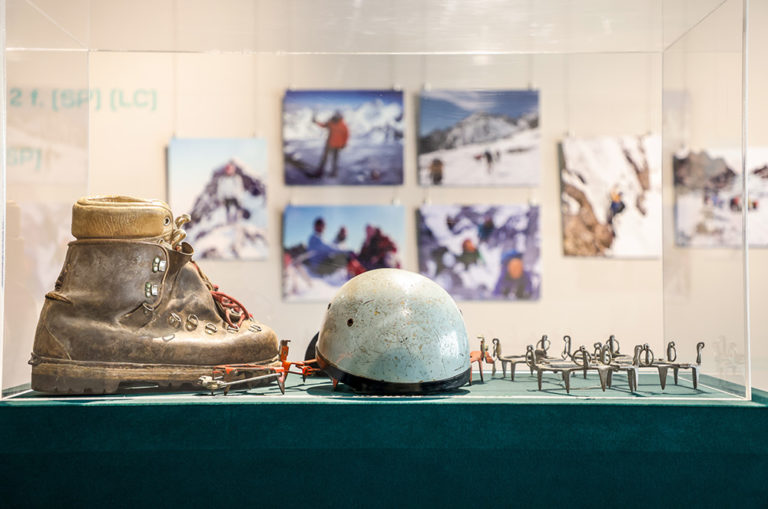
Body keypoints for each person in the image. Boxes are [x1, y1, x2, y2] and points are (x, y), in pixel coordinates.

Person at [313, 111, 349, 178]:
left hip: (336, 145)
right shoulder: (332, 122)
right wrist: (316, 122)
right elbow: (323, 125)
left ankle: (332, 172)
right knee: (326, 158)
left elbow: (346, 135)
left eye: (337, 116)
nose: (336, 117)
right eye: (336, 116)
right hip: (330, 144)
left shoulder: (342, 125)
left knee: (333, 159)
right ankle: (322, 171)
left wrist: (344, 143)